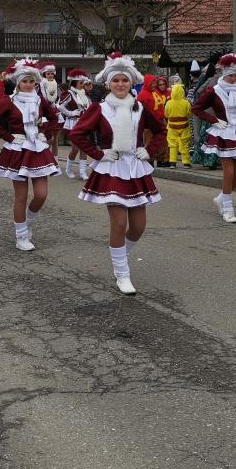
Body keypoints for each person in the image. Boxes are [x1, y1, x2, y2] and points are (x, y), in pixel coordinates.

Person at [69, 53, 165, 295]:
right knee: (119, 223)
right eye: (115, 81)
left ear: (131, 83)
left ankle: (118, 254)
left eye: (124, 80)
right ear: (108, 84)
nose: (120, 84)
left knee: (139, 226)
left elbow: (160, 130)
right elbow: (77, 134)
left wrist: (149, 149)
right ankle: (122, 273)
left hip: (136, 169)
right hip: (112, 168)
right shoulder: (99, 109)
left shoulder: (140, 108)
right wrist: (99, 154)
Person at [0, 58, 60, 251]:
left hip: (38, 149)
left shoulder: (39, 99)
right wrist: (9, 138)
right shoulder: (9, 101)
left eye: (31, 81)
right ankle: (21, 236)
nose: (28, 85)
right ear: (18, 82)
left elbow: (54, 118)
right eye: (24, 81)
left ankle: (27, 222)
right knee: (21, 196)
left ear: (36, 82)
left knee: (41, 195)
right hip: (18, 151)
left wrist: (46, 134)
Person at [192, 53, 236, 223]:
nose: (234, 78)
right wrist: (213, 120)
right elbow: (196, 108)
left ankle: (221, 198)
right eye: (230, 75)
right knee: (229, 172)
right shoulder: (214, 91)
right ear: (224, 74)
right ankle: (227, 208)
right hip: (223, 133)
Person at [58, 69, 92, 178]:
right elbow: (59, 106)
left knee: (84, 147)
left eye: (83, 83)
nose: (83, 85)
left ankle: (82, 172)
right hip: (73, 123)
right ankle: (68, 169)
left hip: (84, 123)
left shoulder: (84, 94)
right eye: (80, 83)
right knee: (75, 148)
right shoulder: (70, 93)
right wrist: (71, 113)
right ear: (74, 83)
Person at [37, 61, 61, 162]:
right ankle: (43, 158)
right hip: (44, 111)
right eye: (48, 73)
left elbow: (56, 98)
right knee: (47, 138)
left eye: (52, 73)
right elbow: (42, 98)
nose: (50, 75)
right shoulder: (41, 84)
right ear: (44, 74)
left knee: (55, 139)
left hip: (54, 110)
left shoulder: (55, 84)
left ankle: (55, 161)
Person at [164, 82, 192, 168]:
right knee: (185, 143)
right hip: (184, 126)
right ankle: (186, 162)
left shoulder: (168, 103)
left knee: (172, 144)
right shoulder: (186, 102)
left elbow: (166, 114)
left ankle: (172, 162)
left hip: (172, 126)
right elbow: (190, 113)